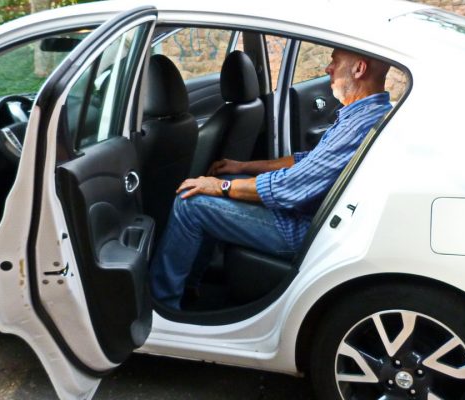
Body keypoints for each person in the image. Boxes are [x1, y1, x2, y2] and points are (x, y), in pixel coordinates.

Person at [150, 48, 393, 309]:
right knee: (223, 180)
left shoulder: (359, 125)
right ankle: (190, 287)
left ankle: (163, 304)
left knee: (190, 203)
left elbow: (290, 187)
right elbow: (307, 161)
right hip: (313, 217)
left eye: (335, 62)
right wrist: (243, 167)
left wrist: (220, 186)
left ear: (359, 69)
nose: (327, 69)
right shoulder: (364, 114)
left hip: (306, 231)